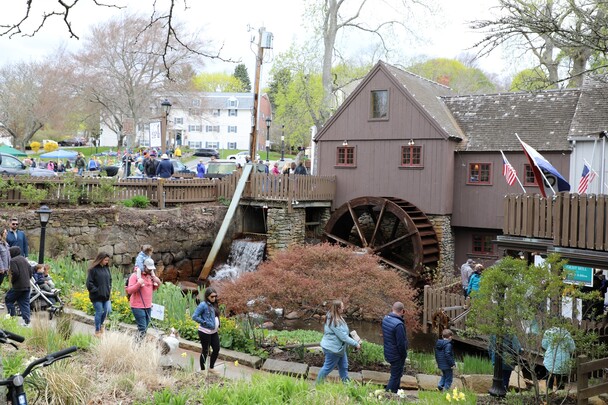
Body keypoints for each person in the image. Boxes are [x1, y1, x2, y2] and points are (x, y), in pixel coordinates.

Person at [316, 300, 361, 383]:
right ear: (338, 309)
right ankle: (317, 385)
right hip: (333, 349)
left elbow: (343, 333)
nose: (344, 308)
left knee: (344, 367)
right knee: (327, 368)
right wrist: (356, 344)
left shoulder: (337, 316)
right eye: (342, 306)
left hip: (340, 348)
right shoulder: (334, 321)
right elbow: (343, 337)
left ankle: (347, 386)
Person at [126, 258, 161, 341]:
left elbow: (153, 288)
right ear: (143, 266)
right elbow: (129, 290)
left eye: (151, 269)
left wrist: (158, 282)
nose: (150, 270)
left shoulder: (149, 276)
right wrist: (139, 283)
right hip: (137, 306)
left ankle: (137, 343)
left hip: (148, 306)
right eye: (149, 269)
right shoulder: (134, 276)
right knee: (142, 328)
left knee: (145, 328)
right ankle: (137, 346)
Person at [192, 287, 221, 372]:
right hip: (205, 331)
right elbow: (194, 316)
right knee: (205, 350)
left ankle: (211, 367)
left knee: (216, 349)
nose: (214, 298)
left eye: (215, 296)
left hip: (214, 332)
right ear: (207, 296)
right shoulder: (203, 305)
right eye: (212, 297)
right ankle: (203, 370)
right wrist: (204, 322)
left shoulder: (215, 304)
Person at [382, 301, 408, 393]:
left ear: (392, 309)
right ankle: (388, 394)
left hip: (388, 351)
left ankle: (395, 392)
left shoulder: (385, 319)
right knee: (395, 375)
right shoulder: (399, 325)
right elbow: (401, 344)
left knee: (396, 374)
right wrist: (404, 355)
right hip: (396, 354)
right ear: (402, 311)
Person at [86, 252, 112, 337]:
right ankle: (97, 331)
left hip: (106, 295)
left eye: (108, 260)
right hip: (96, 296)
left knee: (107, 310)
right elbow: (89, 283)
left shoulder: (106, 268)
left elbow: (110, 280)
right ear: (100, 259)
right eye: (105, 260)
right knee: (99, 312)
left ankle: (100, 325)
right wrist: (96, 290)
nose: (107, 262)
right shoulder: (93, 269)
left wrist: (109, 289)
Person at [5, 247, 33, 327]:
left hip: (18, 286)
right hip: (27, 285)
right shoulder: (24, 259)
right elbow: (30, 270)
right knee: (24, 303)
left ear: (13, 252)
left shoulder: (13, 260)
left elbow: (16, 272)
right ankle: (27, 322)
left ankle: (12, 317)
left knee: (8, 299)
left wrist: (13, 281)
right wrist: (28, 278)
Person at [542, 327, 575, 391]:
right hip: (563, 361)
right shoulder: (567, 334)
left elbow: (544, 345)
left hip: (550, 361)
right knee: (561, 383)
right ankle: (560, 397)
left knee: (549, 381)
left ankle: (548, 396)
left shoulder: (548, 333)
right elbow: (572, 348)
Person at [0, 229, 9, 298]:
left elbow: (8, 256)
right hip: (1, 269)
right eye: (5, 233)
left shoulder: (6, 244)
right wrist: (1, 268)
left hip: (5, 269)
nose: (6, 234)